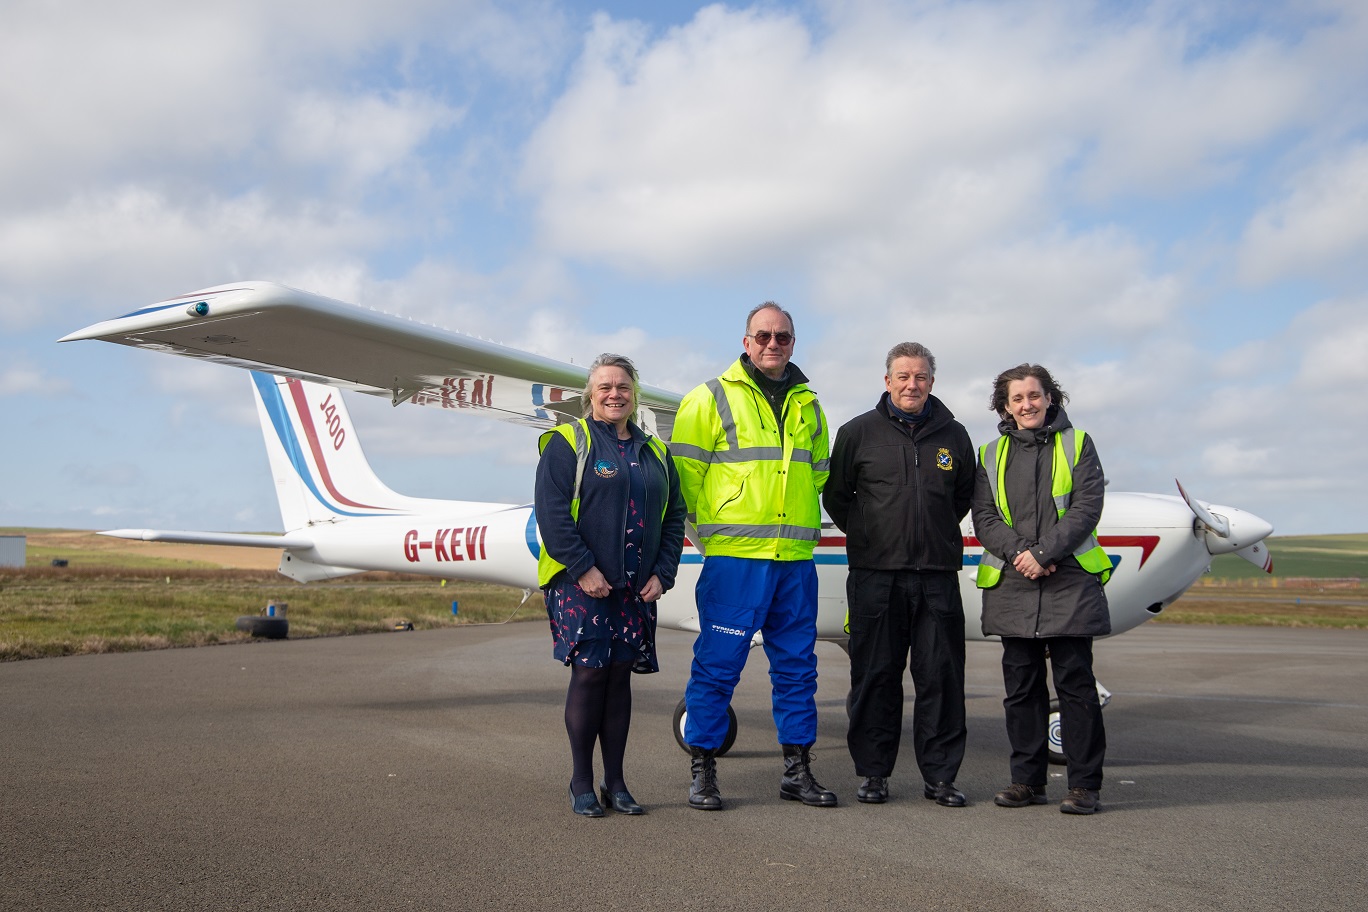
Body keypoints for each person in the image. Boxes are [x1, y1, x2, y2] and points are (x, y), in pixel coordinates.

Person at [671, 301, 836, 810]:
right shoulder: (707, 398)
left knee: (797, 668)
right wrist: (715, 544)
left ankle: (797, 770)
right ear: (746, 342)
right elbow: (684, 486)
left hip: (794, 562)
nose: (772, 344)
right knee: (718, 666)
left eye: (782, 337)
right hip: (735, 562)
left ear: (792, 343)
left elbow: (820, 474)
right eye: (762, 336)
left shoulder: (810, 405)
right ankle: (702, 767)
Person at [823, 342, 976, 807]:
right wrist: (874, 536)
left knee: (941, 679)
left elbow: (961, 497)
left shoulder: (955, 436)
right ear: (887, 381)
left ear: (932, 381)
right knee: (875, 678)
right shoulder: (857, 433)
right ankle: (872, 773)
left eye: (921, 377)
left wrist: (929, 535)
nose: (913, 385)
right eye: (903, 377)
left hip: (937, 577)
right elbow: (838, 496)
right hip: (875, 577)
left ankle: (941, 778)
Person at [534, 353, 687, 817]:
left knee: (620, 679)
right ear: (591, 395)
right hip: (582, 583)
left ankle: (616, 783)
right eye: (605, 387)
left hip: (635, 587)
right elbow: (552, 515)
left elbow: (675, 517)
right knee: (590, 675)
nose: (614, 394)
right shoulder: (568, 443)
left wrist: (664, 573)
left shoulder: (656, 451)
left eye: (622, 386)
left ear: (634, 393)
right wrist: (583, 568)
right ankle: (581, 782)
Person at [972, 363, 1112, 815]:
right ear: (1005, 406)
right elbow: (984, 516)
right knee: (1021, 690)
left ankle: (1085, 786)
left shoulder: (1079, 444)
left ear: (1050, 398)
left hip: (1067, 580)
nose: (1026, 405)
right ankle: (1026, 782)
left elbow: (1087, 506)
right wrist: (1020, 554)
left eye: (1034, 395)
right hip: (1014, 581)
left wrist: (1045, 553)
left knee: (1076, 687)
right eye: (1017, 399)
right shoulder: (990, 453)